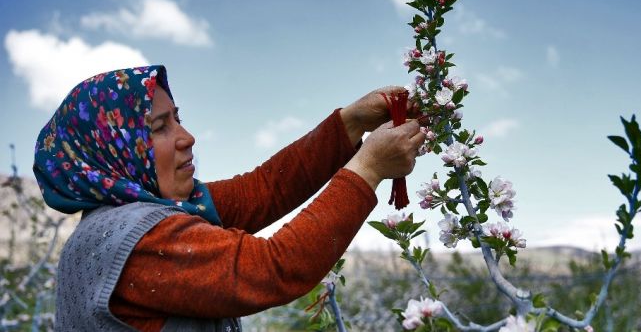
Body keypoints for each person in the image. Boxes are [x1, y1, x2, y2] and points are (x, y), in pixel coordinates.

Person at [33, 65, 424, 331]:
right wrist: (369, 168)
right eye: (159, 127)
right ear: (113, 148)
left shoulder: (140, 216)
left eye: (178, 118)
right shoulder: (141, 241)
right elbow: (275, 268)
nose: (187, 137)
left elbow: (263, 189)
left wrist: (351, 122)